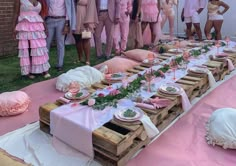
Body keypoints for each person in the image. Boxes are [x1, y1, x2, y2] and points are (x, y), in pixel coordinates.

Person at [12, 0, 51, 79]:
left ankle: (43, 70)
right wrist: (13, 27)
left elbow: (40, 15)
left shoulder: (40, 0)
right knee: (27, 49)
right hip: (25, 27)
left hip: (37, 27)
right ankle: (28, 72)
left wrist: (45, 28)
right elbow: (15, 14)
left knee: (40, 48)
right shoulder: (19, 1)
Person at [45, 0, 76, 71]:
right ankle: (45, 64)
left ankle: (60, 64)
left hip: (61, 21)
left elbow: (68, 10)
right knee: (46, 43)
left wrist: (66, 24)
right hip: (49, 20)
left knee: (60, 43)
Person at [73, 0, 98, 65]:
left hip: (85, 18)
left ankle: (87, 59)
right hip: (75, 17)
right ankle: (80, 58)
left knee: (86, 38)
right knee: (77, 38)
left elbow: (91, 8)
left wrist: (88, 20)